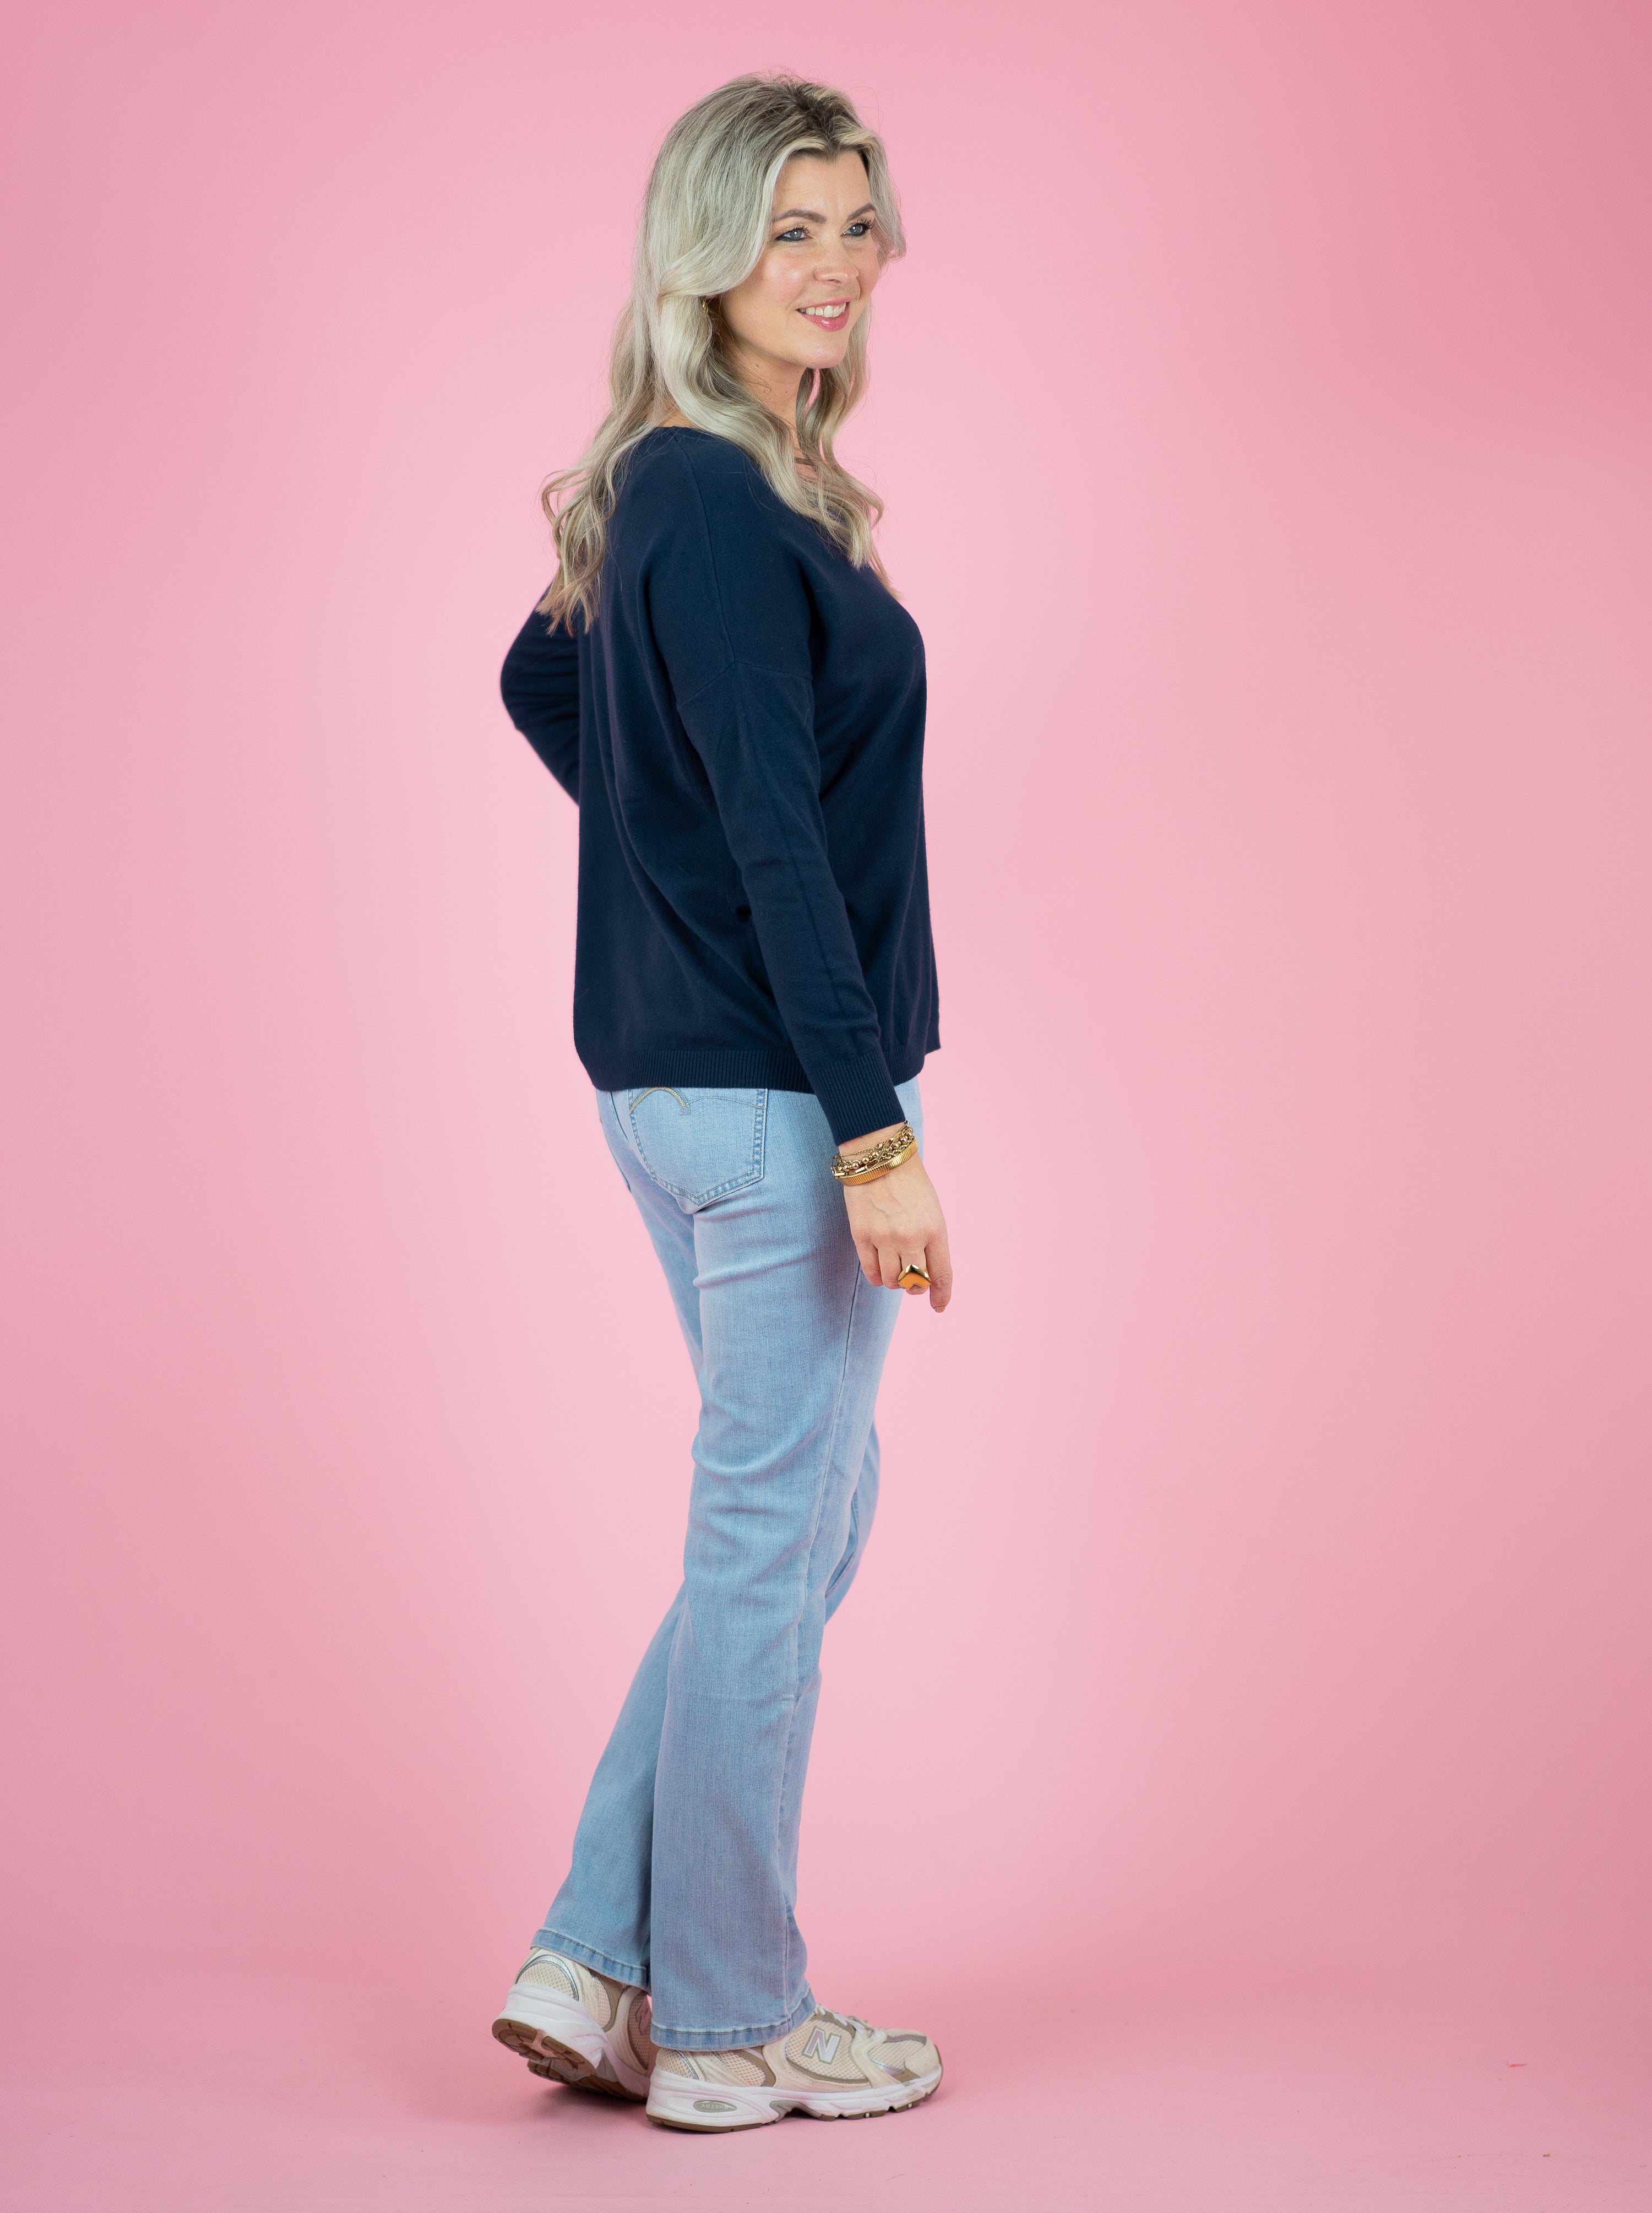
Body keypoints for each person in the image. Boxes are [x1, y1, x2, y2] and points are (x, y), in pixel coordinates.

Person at [490, 74, 949, 2133]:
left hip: (683, 1083)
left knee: (799, 1516)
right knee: (776, 1532)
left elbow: (543, 681)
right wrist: (876, 1133)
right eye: (789, 228)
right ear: (706, 252)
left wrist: (655, 849)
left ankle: (597, 1948)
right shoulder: (716, 499)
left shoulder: (687, 486)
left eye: (854, 225)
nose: (835, 266)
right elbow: (772, 831)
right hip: (771, 1098)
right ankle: (736, 2020)